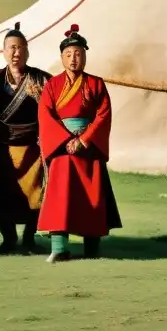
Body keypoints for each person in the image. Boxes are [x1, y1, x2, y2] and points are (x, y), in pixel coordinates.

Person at [37, 24, 121, 262]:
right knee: (60, 198)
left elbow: (103, 114)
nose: (74, 59)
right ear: (62, 58)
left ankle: (92, 248)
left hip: (88, 150)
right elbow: (45, 114)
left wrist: (83, 140)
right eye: (68, 54)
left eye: (78, 54)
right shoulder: (52, 85)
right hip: (63, 149)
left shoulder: (96, 84)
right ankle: (59, 248)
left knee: (91, 198)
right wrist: (66, 141)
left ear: (85, 56)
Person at [0, 22, 50, 252]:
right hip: (4, 150)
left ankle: (30, 238)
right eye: (11, 47)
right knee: (4, 196)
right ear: (3, 52)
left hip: (33, 148)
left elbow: (53, 112)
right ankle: (8, 239)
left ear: (28, 51)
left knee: (35, 195)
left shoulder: (42, 80)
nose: (16, 52)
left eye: (21, 47)